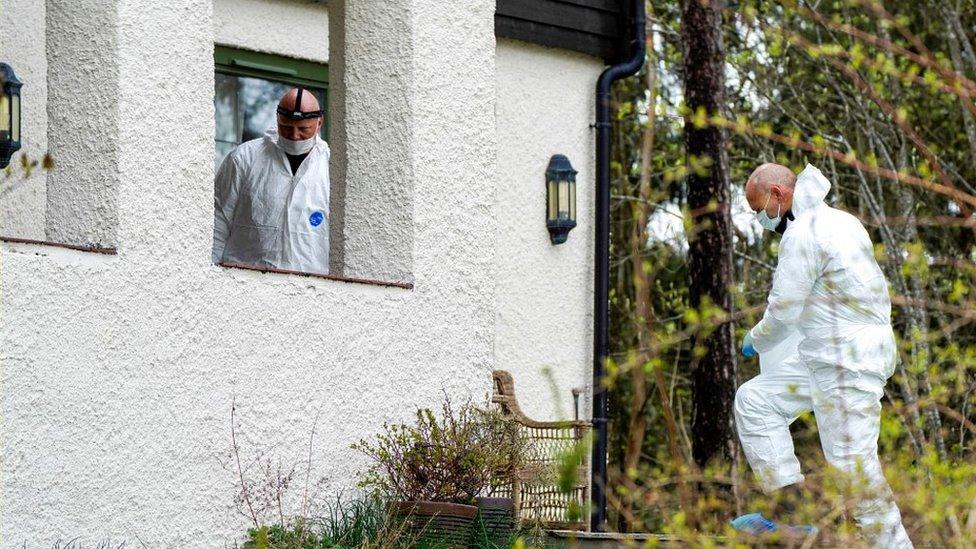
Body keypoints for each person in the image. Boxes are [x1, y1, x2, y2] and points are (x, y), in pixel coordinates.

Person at [731, 163, 913, 548]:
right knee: (755, 400)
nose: (758, 218)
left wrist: (755, 339)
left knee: (854, 473)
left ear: (779, 195)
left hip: (847, 362)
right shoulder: (842, 221)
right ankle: (791, 514)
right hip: (826, 354)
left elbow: (783, 311)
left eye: (757, 207)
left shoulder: (803, 235)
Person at [213, 87, 331, 274]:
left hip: (311, 290)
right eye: (286, 127)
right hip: (244, 284)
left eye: (303, 129)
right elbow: (218, 221)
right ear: (277, 119)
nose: (294, 135)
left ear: (319, 123)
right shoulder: (244, 158)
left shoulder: (330, 168)